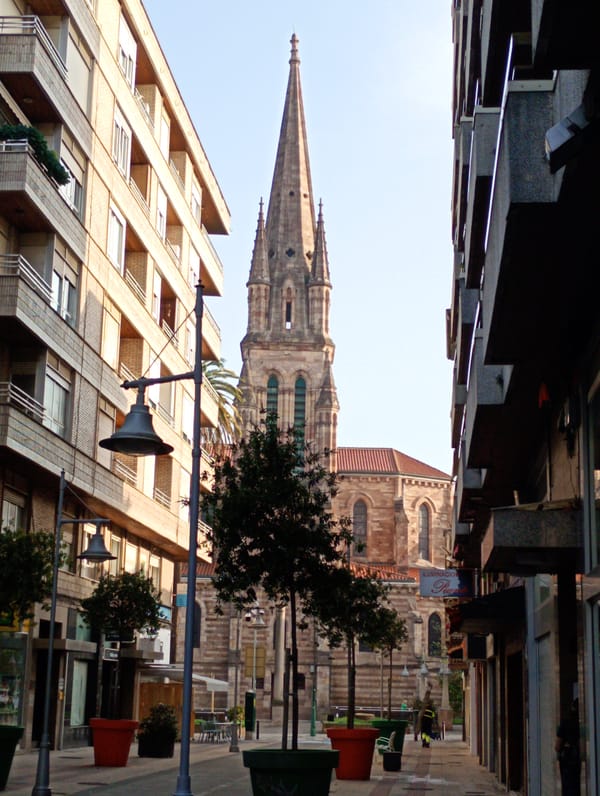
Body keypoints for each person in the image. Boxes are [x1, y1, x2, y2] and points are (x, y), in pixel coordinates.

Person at [555, 702, 581, 796]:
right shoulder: (579, 723)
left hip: (567, 760)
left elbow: (557, 746)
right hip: (577, 758)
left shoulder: (565, 723)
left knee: (567, 787)